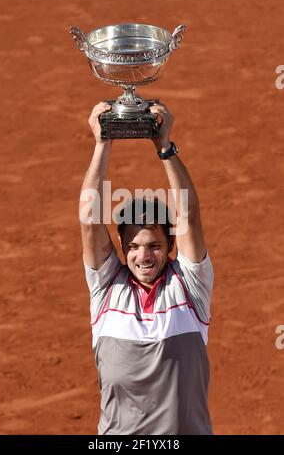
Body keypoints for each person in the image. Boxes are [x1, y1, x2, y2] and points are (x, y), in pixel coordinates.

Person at [79, 101, 214, 435]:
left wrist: (165, 147)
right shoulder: (106, 286)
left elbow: (189, 215)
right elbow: (88, 218)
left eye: (154, 245)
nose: (144, 256)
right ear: (122, 249)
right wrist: (102, 143)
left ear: (170, 246)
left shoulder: (189, 285)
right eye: (134, 247)